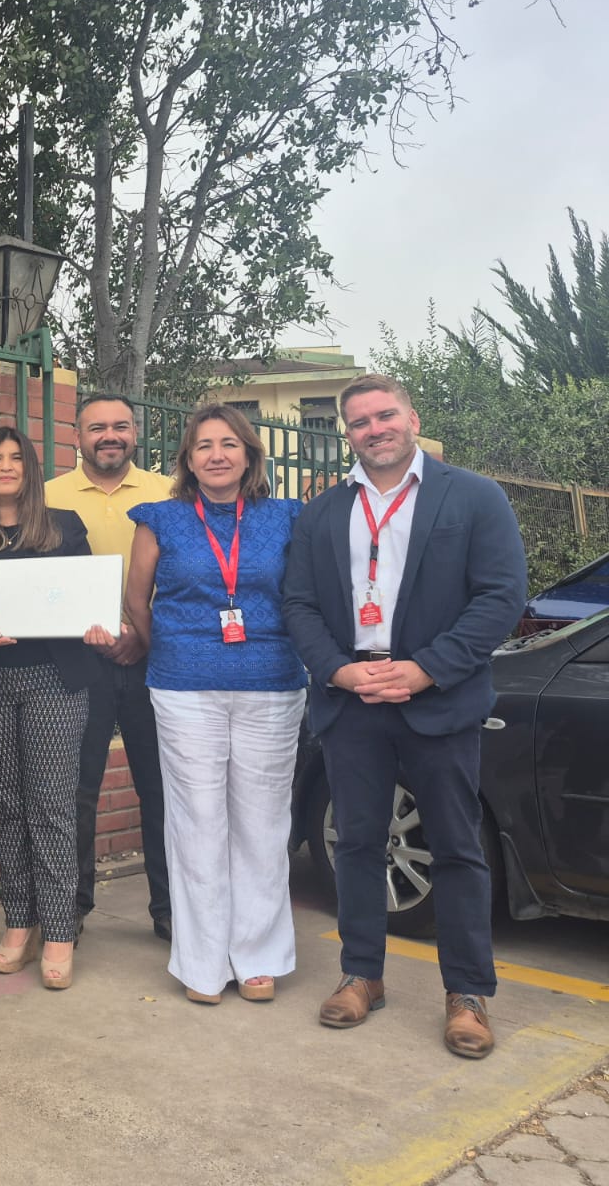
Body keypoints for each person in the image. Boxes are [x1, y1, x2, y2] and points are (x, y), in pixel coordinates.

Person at [282, 373, 526, 1057]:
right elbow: (298, 603)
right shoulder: (323, 513)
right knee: (357, 844)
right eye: (360, 422)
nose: (375, 429)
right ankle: (361, 974)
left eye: (385, 415)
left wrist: (427, 668)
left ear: (412, 419)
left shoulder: (473, 496)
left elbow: (501, 595)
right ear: (347, 435)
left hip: (438, 697)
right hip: (352, 699)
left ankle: (468, 994)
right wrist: (338, 669)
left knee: (457, 848)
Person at [119, 405, 305, 1006]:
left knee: (262, 823)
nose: (217, 455)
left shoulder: (287, 517)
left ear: (249, 456)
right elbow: (136, 601)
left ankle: (258, 957)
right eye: (204, 445)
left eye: (229, 444)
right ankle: (202, 963)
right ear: (188, 459)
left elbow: (303, 596)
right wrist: (174, 648)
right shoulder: (159, 519)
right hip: (183, 687)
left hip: (271, 683)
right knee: (195, 821)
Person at [0, 426, 102, 991]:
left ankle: (59, 929)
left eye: (16, 457)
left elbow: (87, 596)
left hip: (55, 681)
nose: (6, 466)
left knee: (52, 806)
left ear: (30, 469)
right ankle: (19, 920)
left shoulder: (64, 527)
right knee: (7, 806)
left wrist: (95, 621)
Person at [45, 394, 173, 944]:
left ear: (135, 433)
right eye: (97, 427)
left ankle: (170, 909)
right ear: (77, 437)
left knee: (162, 790)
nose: (110, 435)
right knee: (76, 790)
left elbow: (185, 574)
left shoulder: (169, 492)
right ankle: (71, 907)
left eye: (120, 425)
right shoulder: (48, 495)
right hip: (79, 661)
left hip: (155, 658)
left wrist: (143, 635)